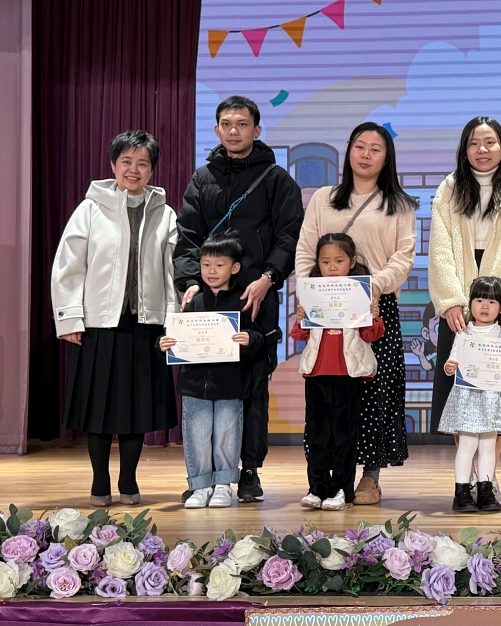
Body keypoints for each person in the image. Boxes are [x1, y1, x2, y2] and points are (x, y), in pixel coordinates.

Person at [175, 95, 303, 503]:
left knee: (252, 387)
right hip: (208, 299)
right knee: (204, 388)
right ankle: (206, 476)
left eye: (242, 124)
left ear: (256, 130)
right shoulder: (202, 178)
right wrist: (190, 283)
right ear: (216, 130)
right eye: (227, 124)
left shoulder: (276, 179)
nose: (234, 131)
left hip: (254, 298)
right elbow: (187, 238)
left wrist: (269, 278)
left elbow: (289, 235)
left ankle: (249, 471)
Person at [52, 130, 178, 507]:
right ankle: (99, 483)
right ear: (113, 165)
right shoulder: (91, 209)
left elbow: (171, 271)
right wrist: (70, 319)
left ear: (152, 170)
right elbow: (69, 266)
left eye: (142, 163)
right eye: (126, 161)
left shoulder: (165, 213)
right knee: (98, 409)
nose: (133, 170)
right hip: (99, 325)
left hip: (146, 325)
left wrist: (174, 321)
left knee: (136, 408)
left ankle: (128, 480)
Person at [295, 122, 416, 506]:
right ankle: (326, 479)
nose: (366, 154)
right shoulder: (324, 199)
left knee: (375, 393)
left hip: (375, 307)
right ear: (349, 151)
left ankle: (369, 477)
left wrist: (372, 287)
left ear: (387, 157)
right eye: (360, 146)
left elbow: (404, 257)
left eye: (375, 149)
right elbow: (305, 250)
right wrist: (307, 292)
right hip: (325, 310)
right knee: (328, 397)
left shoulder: (398, 204)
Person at [427, 116, 501, 503]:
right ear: (464, 149)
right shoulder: (449, 187)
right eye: (474, 143)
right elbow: (440, 249)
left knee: (500, 394)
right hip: (460, 305)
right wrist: (451, 301)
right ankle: (468, 477)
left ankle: (488, 478)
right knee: (461, 393)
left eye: (490, 142)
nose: (482, 149)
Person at [159, 233, 266, 509]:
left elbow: (258, 336)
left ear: (235, 268)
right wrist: (164, 342)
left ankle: (223, 485)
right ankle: (200, 485)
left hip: (231, 384)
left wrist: (249, 339)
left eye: (219, 265)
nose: (211, 271)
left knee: (227, 435)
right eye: (206, 265)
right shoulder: (192, 302)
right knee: (197, 436)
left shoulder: (243, 301)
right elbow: (175, 335)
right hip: (194, 385)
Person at [293, 233, 385, 511]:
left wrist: (372, 315)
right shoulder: (312, 292)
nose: (332, 267)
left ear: (352, 262)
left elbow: (371, 335)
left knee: (345, 435)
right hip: (317, 373)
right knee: (317, 435)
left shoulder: (360, 293)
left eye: (339, 261)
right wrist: (301, 318)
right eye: (325, 262)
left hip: (348, 375)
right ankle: (317, 488)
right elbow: (298, 335)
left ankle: (343, 490)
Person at [439, 276, 501, 513]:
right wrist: (449, 366)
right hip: (468, 397)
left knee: (489, 445)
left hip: (494, 398)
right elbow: (452, 361)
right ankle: (462, 493)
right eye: (479, 300)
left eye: (491, 302)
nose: (484, 306)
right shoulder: (463, 333)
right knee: (467, 444)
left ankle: (486, 491)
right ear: (470, 303)